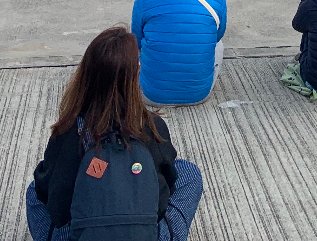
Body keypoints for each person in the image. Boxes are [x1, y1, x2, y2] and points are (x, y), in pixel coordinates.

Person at [26, 27, 203, 241]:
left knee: (33, 190)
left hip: (83, 234)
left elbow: (53, 201)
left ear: (86, 74)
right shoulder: (151, 126)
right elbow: (165, 190)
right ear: (133, 75)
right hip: (142, 235)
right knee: (188, 172)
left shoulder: (69, 130)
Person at [131, 0, 228, 106]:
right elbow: (218, 36)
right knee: (218, 44)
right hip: (199, 95)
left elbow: (136, 41)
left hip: (151, 96)